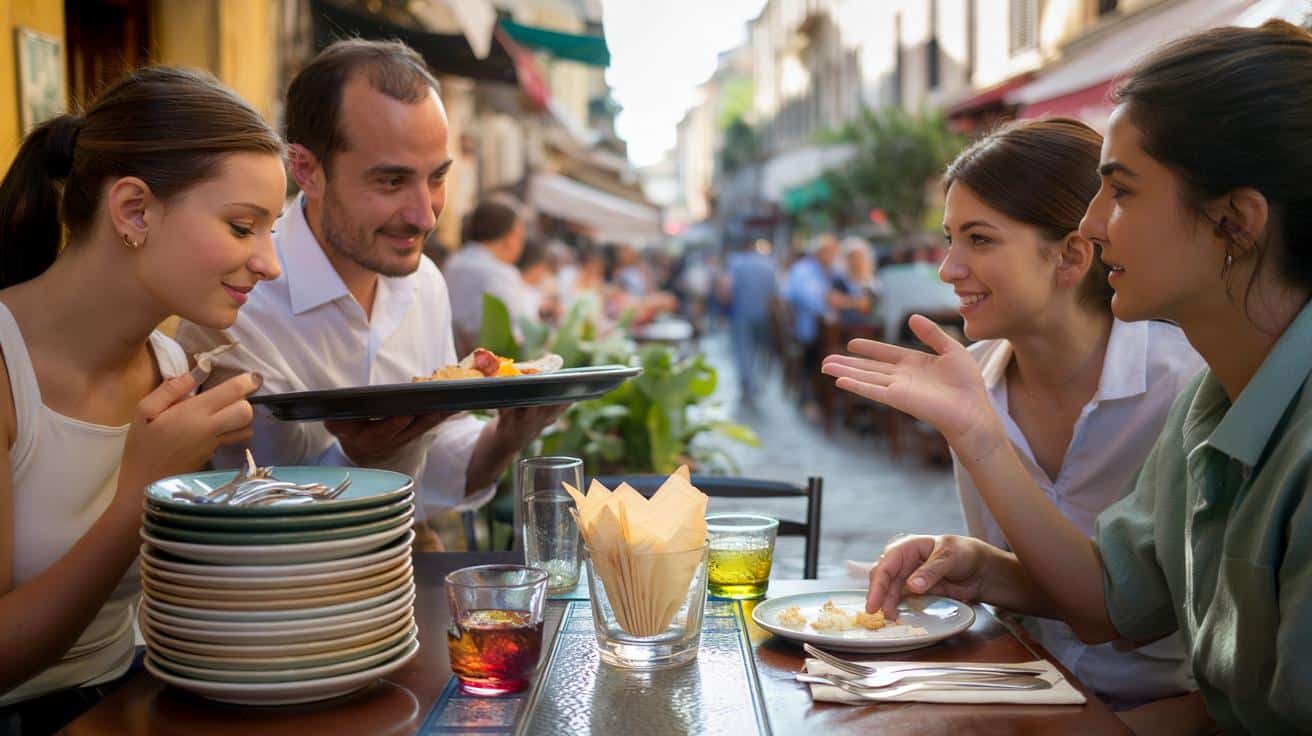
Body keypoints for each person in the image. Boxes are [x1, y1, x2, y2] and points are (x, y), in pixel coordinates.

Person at [825, 21, 1312, 734]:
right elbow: (1112, 604)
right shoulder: (1213, 404)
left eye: (1122, 191)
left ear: (1235, 223)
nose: (1091, 223)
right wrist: (977, 441)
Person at [176, 39, 563, 525]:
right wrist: (362, 459)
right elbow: (248, 515)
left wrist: (506, 437)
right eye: (391, 182)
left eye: (437, 178)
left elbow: (436, 462)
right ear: (307, 170)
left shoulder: (424, 281)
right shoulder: (235, 299)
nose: (425, 216)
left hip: (405, 558)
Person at [0, 68, 279, 729]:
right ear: (134, 211)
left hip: (129, 701)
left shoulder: (171, 365)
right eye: (244, 227)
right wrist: (143, 493)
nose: (269, 262)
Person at [940, 118, 1204, 710]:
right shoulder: (972, 377)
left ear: (1072, 256)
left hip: (1163, 712)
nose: (948, 268)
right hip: (1012, 701)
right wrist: (978, 565)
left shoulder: (1187, 382)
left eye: (979, 240)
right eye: (950, 238)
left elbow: (1162, 612)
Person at [445, 199, 536, 348]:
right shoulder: (501, 273)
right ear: (512, 237)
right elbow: (516, 333)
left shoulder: (453, 262)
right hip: (486, 365)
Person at [723, 239, 778, 401]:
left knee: (743, 348)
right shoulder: (769, 264)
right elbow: (774, 293)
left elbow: (727, 288)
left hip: (742, 312)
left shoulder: (737, 263)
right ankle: (756, 382)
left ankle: (747, 381)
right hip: (763, 314)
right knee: (760, 349)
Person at [831, 236, 881, 326]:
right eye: (852, 257)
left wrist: (848, 302)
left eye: (859, 257)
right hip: (845, 325)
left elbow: (870, 304)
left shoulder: (871, 281)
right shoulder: (839, 280)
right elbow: (834, 301)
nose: (856, 261)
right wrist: (856, 303)